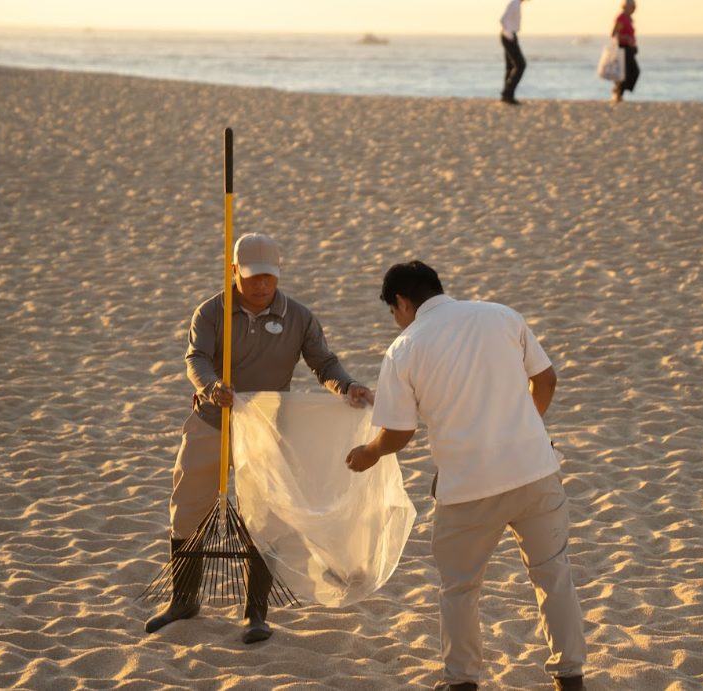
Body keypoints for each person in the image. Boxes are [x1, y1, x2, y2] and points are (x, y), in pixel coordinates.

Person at [345, 261, 586, 691]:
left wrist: (368, 452)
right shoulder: (501, 315)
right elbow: (546, 380)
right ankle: (570, 676)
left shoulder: (405, 347)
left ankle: (462, 682)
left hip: (468, 488)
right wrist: (523, 429)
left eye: (394, 312)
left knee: (460, 589)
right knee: (553, 575)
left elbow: (399, 432)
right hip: (535, 471)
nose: (396, 320)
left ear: (402, 302)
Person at [145, 232, 374, 644]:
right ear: (235, 271)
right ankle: (183, 599)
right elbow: (195, 358)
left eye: (268, 276)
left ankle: (256, 612)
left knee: (264, 517)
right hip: (213, 422)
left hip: (268, 429)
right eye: (252, 277)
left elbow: (324, 363)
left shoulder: (298, 316)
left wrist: (347, 387)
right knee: (187, 508)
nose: (261, 285)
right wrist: (212, 385)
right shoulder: (211, 312)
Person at [611, 0, 640, 103]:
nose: (632, 8)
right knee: (626, 72)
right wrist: (627, 38)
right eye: (630, 6)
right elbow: (614, 34)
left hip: (629, 49)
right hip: (623, 48)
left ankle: (618, 92)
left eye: (633, 6)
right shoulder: (621, 18)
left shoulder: (628, 18)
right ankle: (618, 93)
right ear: (625, 6)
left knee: (630, 72)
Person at [500, 0, 528, 105]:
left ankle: (506, 95)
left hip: (510, 35)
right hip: (508, 36)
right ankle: (508, 93)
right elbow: (503, 20)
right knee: (521, 64)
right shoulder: (514, 4)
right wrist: (509, 34)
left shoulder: (516, 4)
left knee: (511, 66)